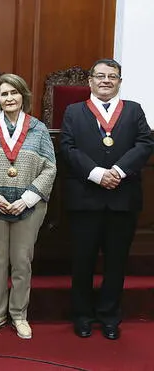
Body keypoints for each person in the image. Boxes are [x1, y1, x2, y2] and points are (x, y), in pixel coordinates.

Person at [60, 59, 153, 340]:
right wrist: (96, 173)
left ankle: (110, 316)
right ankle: (83, 316)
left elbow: (146, 143)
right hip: (85, 198)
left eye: (112, 76)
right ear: (90, 81)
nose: (105, 81)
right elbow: (67, 147)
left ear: (119, 81)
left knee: (116, 262)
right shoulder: (74, 112)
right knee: (83, 261)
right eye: (100, 76)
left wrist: (119, 171)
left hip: (122, 199)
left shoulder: (133, 110)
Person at [0, 74, 56, 340]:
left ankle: (19, 314)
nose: (9, 98)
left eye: (14, 93)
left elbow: (49, 168)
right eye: (3, 94)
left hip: (28, 206)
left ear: (23, 96)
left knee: (21, 261)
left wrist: (28, 198)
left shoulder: (39, 129)